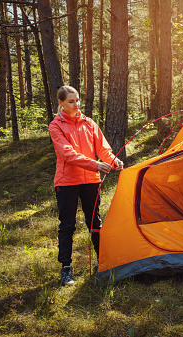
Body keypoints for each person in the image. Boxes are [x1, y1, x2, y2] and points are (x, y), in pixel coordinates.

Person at [49, 85, 123, 286]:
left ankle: (104, 263)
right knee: (67, 226)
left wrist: (113, 160)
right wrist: (95, 164)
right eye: (70, 101)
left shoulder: (89, 123)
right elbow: (67, 154)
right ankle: (66, 269)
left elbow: (103, 148)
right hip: (67, 182)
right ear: (61, 103)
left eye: (77, 100)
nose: (75, 105)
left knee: (95, 223)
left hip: (91, 180)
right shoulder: (56, 126)